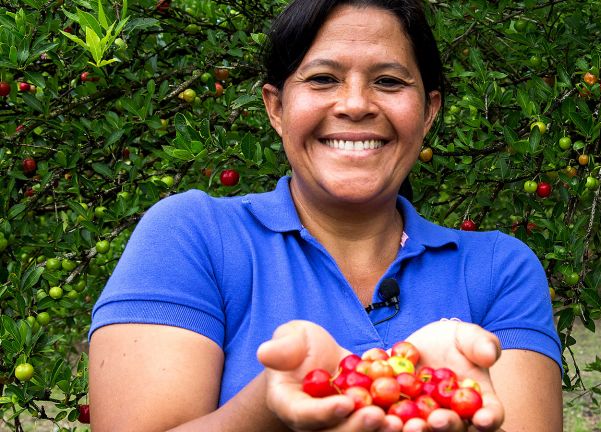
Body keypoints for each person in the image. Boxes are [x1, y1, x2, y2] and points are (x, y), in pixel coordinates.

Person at [87, 0, 563, 430]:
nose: (355, 104)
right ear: (276, 107)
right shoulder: (192, 235)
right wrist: (267, 407)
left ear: (429, 111)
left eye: (389, 82)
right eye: (322, 79)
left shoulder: (500, 268)